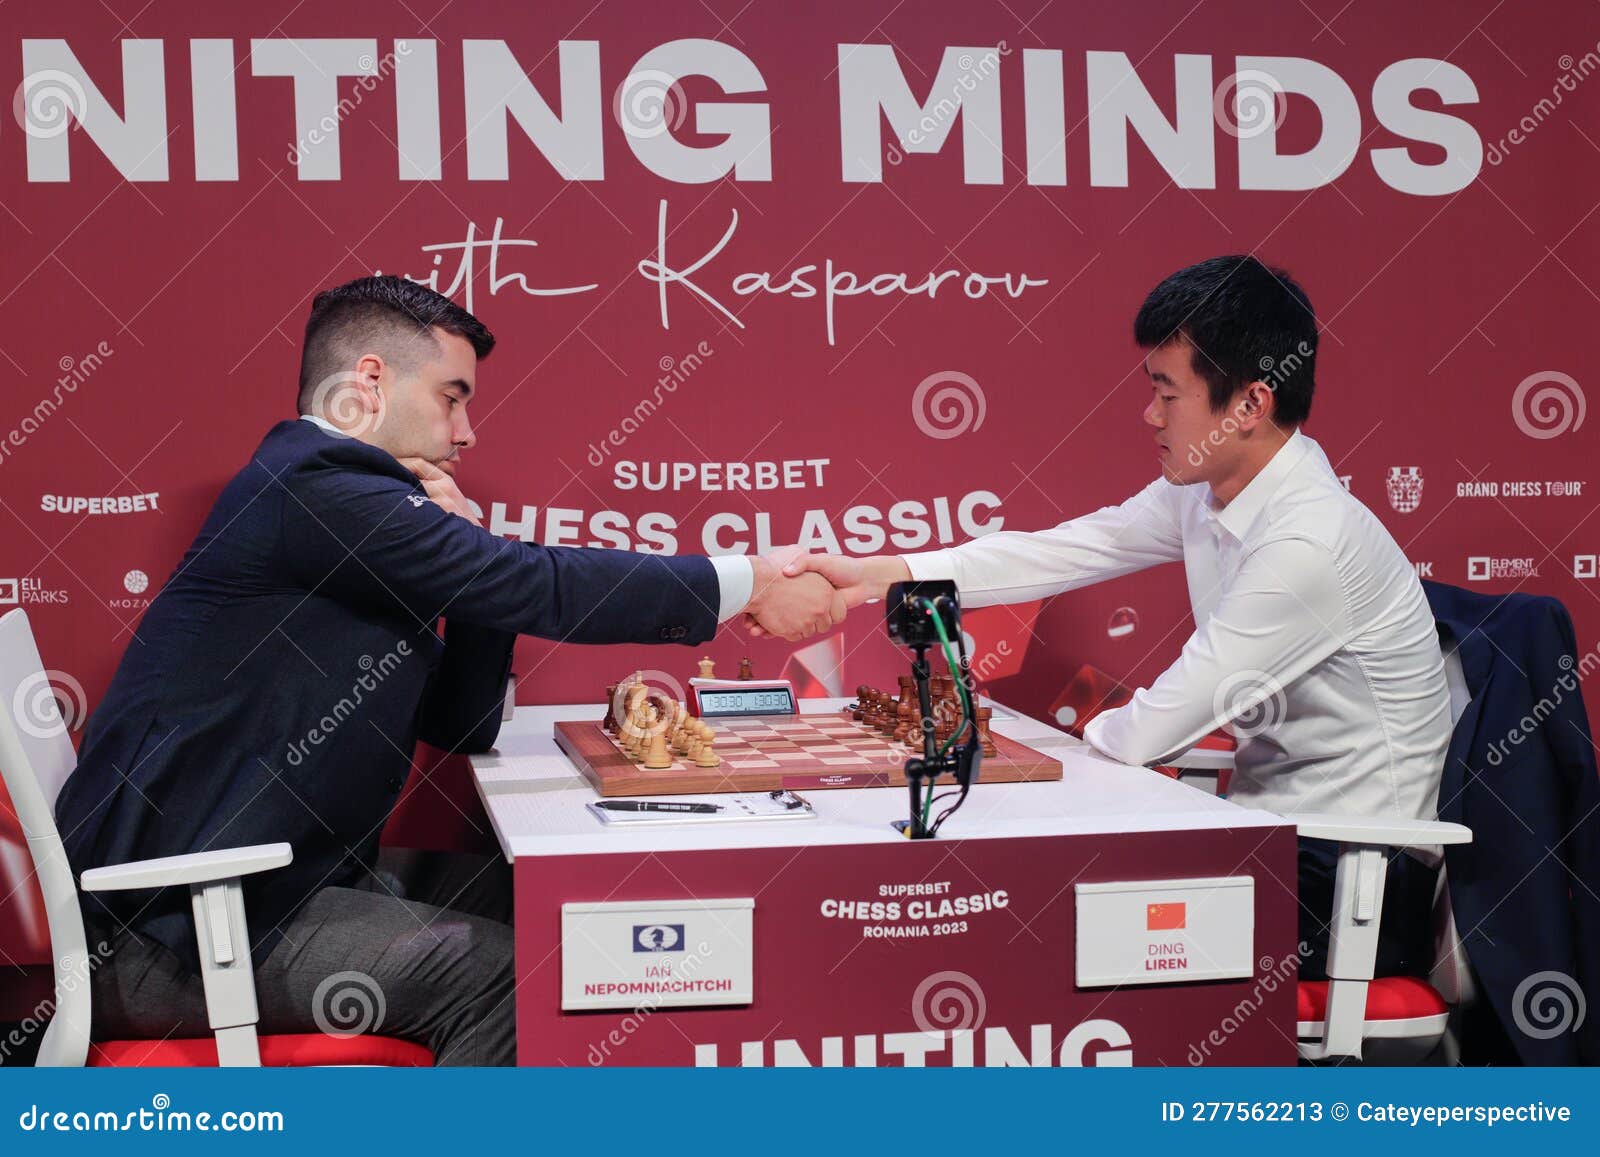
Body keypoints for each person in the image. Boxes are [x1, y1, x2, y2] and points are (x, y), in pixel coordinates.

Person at [55, 275, 846, 1065]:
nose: (466, 431)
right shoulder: (314, 489)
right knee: (502, 973)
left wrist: (472, 556)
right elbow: (544, 584)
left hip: (270, 886)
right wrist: (749, 581)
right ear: (369, 382)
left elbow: (458, 722)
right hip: (172, 930)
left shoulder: (351, 504)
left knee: (550, 910)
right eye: (451, 396)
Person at [774, 255, 1453, 980]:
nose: (1150, 415)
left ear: (1250, 404)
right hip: (1272, 846)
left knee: (1031, 935)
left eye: (1168, 393)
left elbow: (1151, 729)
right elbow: (1067, 550)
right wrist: (879, 575)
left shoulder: (1309, 540)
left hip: (1355, 886)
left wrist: (1018, 753)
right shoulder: (1212, 488)